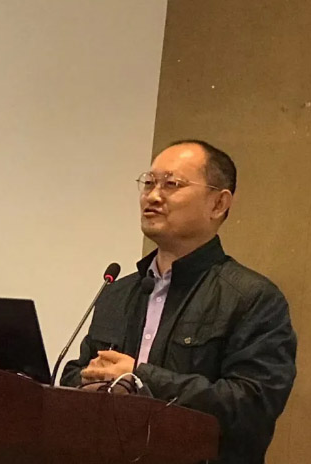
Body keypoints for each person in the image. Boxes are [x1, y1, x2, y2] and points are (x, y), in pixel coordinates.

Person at [61, 139, 297, 464]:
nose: (153, 196)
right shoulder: (116, 292)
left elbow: (252, 406)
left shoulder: (253, 298)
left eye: (171, 184)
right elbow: (77, 372)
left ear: (218, 204)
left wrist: (141, 378)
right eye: (148, 183)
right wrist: (88, 383)